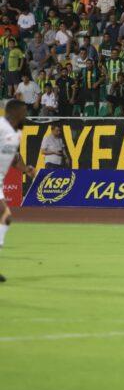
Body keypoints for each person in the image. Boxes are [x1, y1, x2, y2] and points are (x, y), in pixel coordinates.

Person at [0, 100, 36, 282]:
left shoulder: (15, 134)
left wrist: (27, 169)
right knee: (4, 216)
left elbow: (14, 159)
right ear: (15, 113)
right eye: (24, 112)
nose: (25, 116)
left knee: (5, 218)